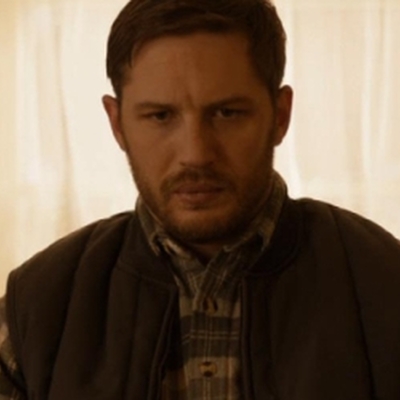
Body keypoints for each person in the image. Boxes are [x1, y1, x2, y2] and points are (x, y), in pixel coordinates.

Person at [1, 0, 400, 399]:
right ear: (117, 123)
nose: (195, 153)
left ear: (280, 116)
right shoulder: (34, 308)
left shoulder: (385, 285)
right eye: (160, 116)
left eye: (227, 113)